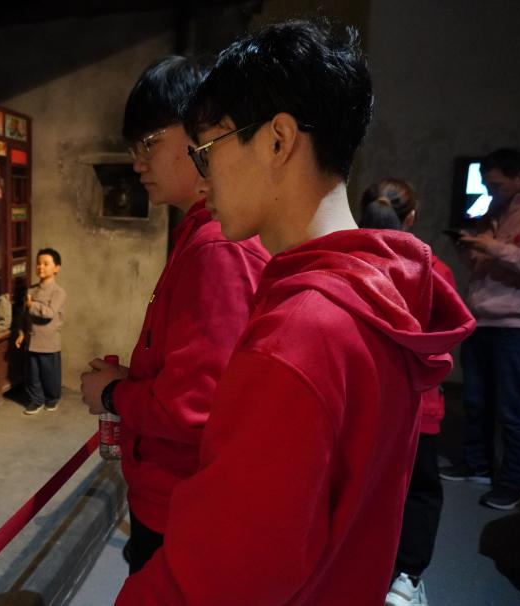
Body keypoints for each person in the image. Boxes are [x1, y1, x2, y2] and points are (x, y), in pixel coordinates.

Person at [114, 20, 474, 605]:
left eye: (209, 151)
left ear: (278, 140)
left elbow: (224, 574)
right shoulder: (380, 292)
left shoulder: (299, 335)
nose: (204, 175)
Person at [79, 56, 269, 574]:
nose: (138, 164)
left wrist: (113, 395)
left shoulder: (218, 246)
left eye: (150, 143)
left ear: (205, 134)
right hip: (180, 494)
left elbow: (196, 407)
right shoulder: (203, 233)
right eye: (133, 149)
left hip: (181, 500)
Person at [359, 178, 461, 606]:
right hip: (418, 408)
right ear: (412, 218)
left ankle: (358, 574)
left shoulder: (348, 263)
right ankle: (405, 581)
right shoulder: (433, 271)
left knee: (362, 491)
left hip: (363, 405)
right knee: (419, 491)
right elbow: (443, 343)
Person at [440, 148, 520, 511]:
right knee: (475, 401)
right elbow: (482, 267)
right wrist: (468, 248)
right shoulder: (493, 214)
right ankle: (477, 465)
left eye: (496, 184)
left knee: (511, 409)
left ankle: (512, 482)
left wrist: (491, 245)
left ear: (519, 178)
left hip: (514, 327)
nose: (490, 191)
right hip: (481, 320)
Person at [16, 248, 66, 415]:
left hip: (49, 342)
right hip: (32, 340)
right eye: (38, 263)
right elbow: (24, 316)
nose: (40, 267)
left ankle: (52, 399)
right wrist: (21, 333)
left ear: (56, 268)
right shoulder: (31, 290)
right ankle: (36, 400)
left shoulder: (58, 292)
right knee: (33, 374)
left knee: (50, 374)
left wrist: (32, 305)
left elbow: (49, 313)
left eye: (45, 264)